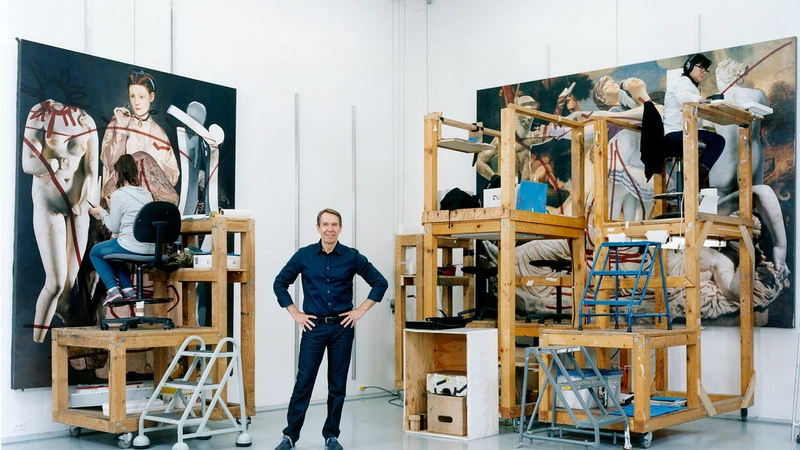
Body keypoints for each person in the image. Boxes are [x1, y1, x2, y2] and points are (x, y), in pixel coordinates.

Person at [273, 208, 388, 450]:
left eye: (334, 224)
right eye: (325, 224)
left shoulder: (351, 256)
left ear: (340, 228)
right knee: (303, 382)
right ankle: (290, 436)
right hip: (314, 328)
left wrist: (360, 310)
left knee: (337, 385)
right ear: (318, 228)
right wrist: (295, 313)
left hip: (342, 329)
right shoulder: (304, 256)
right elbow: (280, 283)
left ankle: (331, 436)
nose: (330, 229)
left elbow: (380, 282)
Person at [21, 99, 99, 343]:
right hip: (49, 204)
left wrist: (85, 202)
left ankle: (68, 342)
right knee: (54, 284)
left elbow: (92, 171)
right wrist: (52, 163)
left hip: (77, 209)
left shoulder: (87, 121)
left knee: (67, 288)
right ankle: (37, 342)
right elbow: (27, 163)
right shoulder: (40, 113)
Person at [88, 154, 155, 305]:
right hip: (151, 249)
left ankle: (112, 289)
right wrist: (112, 208)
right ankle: (128, 290)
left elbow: (114, 227)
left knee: (96, 252)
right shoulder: (147, 195)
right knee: (114, 250)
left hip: (131, 246)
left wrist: (102, 212)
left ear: (117, 173)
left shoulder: (119, 195)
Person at [101, 69, 180, 187]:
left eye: (141, 96)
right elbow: (109, 162)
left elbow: (174, 176)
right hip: (121, 192)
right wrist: (121, 130)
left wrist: (154, 166)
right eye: (132, 96)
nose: (136, 102)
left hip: (149, 195)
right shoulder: (117, 122)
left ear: (151, 97)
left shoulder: (160, 133)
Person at [663, 53, 726, 181]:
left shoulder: (690, 85)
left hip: (680, 132)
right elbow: (684, 97)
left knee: (713, 138)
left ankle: (695, 179)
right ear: (689, 66)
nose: (704, 72)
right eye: (701, 68)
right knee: (718, 141)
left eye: (706, 70)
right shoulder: (683, 81)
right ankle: (695, 180)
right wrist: (701, 100)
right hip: (677, 133)